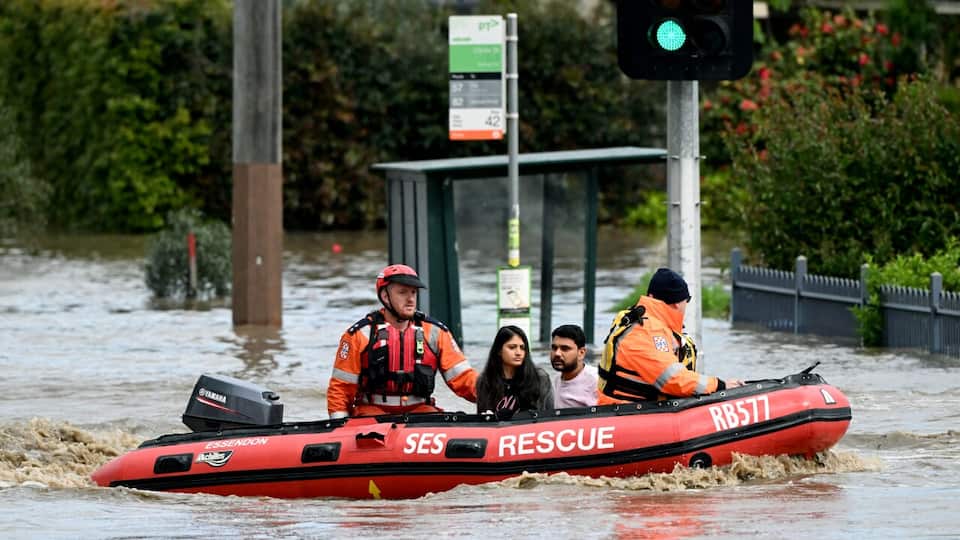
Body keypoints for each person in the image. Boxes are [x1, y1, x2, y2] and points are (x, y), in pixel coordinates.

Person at [327, 264, 477, 419]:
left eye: (413, 292)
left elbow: (464, 378)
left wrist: (497, 395)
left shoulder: (436, 332)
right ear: (385, 296)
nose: (411, 299)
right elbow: (341, 390)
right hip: (371, 414)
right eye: (402, 292)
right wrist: (340, 427)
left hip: (420, 412)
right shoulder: (359, 335)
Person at [598, 267, 744, 404]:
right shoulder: (646, 331)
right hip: (628, 413)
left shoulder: (644, 322)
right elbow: (673, 379)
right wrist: (720, 385)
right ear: (676, 304)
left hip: (635, 411)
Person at [476, 325, 554, 418]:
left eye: (522, 347)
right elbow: (482, 419)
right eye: (512, 347)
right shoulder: (485, 381)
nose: (518, 353)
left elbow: (550, 415)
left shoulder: (540, 378)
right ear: (499, 351)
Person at [549, 324, 598, 408]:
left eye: (565, 349)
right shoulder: (557, 380)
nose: (557, 353)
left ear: (581, 353)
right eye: (554, 348)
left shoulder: (596, 381)